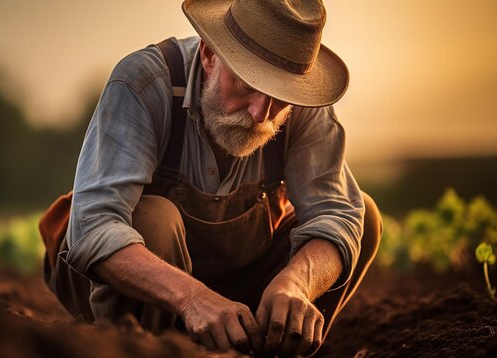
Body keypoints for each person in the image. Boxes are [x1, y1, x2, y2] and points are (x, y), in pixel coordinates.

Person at [39, 0, 382, 356]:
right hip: (125, 287)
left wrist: (296, 284)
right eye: (248, 84)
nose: (260, 114)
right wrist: (192, 298)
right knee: (153, 219)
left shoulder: (303, 107)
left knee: (364, 216)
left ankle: (270, 350)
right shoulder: (144, 83)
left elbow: (335, 214)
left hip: (233, 280)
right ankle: (141, 348)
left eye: (279, 97)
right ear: (208, 55)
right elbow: (93, 226)